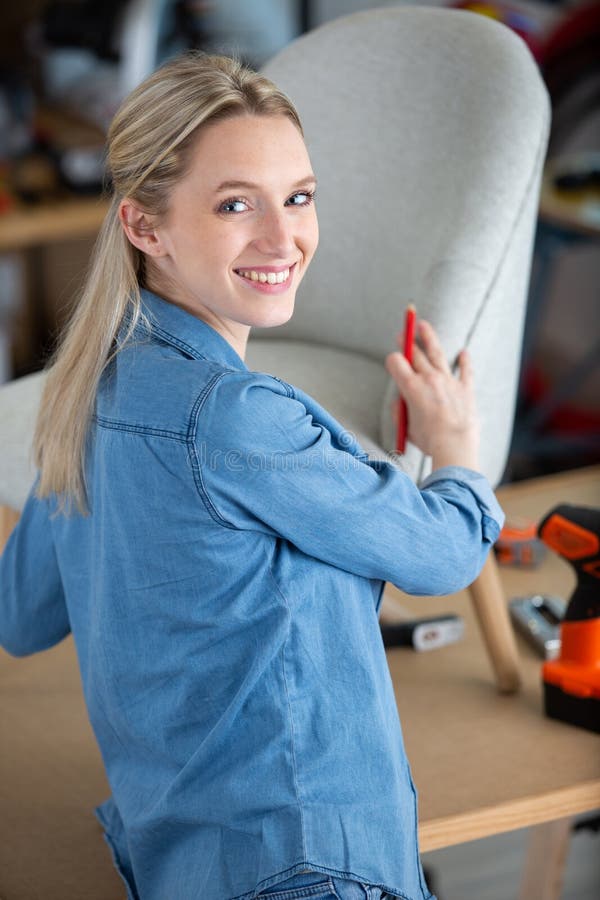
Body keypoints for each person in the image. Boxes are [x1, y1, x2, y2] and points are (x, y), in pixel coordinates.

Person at [0, 53, 504, 900]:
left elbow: (19, 615)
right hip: (303, 865)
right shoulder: (238, 418)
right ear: (144, 227)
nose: (284, 239)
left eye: (299, 197)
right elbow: (442, 556)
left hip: (183, 862)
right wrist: (456, 451)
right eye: (236, 205)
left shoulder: (87, 393)